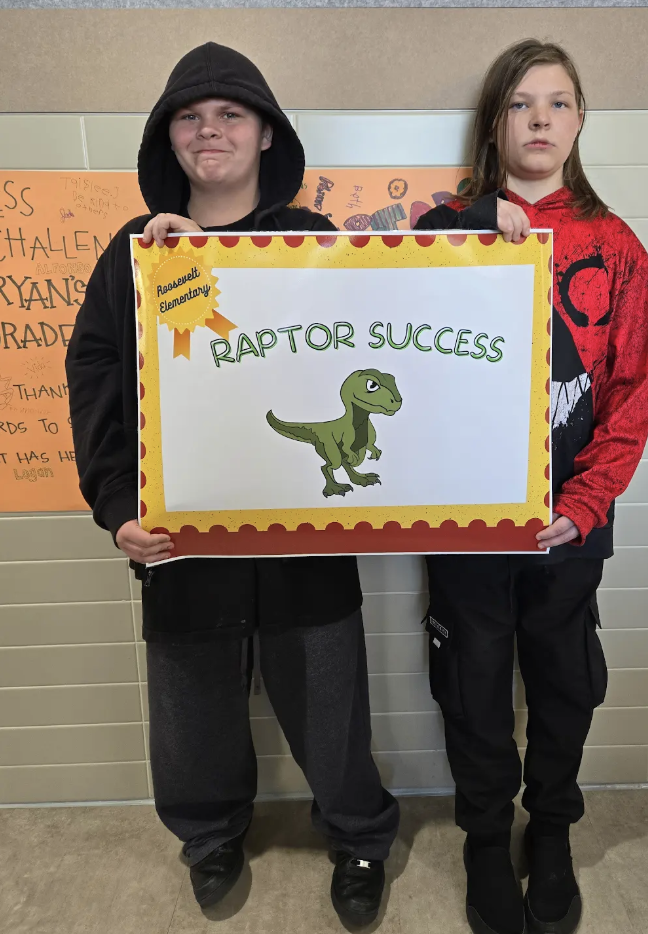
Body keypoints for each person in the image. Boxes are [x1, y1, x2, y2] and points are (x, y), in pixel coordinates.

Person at [65, 42, 398, 924]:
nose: (208, 129)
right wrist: (114, 505)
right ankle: (208, 836)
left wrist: (492, 224)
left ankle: (360, 834)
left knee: (329, 696)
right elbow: (96, 371)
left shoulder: (313, 244)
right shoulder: (135, 256)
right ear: (168, 138)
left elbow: (383, 335)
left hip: (305, 528)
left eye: (229, 115)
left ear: (264, 136)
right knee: (191, 705)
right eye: (189, 115)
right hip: (180, 533)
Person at [414, 39, 648, 934]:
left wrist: (585, 503)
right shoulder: (445, 227)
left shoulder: (617, 247)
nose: (542, 119)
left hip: (569, 530)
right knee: (472, 688)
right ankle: (486, 839)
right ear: (495, 122)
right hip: (466, 525)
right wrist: (476, 222)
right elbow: (374, 311)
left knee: (563, 685)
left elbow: (630, 397)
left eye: (558, 103)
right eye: (522, 104)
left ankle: (548, 830)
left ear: (581, 120)